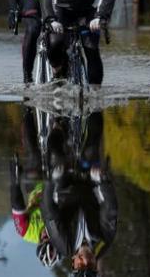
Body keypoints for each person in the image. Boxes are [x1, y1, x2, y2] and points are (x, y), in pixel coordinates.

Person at [40, 112, 118, 276]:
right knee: (92, 144)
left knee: (56, 155)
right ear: (96, 265)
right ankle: (95, 98)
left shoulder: (63, 243)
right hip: (88, 183)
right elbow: (110, 209)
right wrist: (102, 180)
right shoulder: (103, 241)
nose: (86, 260)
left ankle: (58, 124)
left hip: (64, 189)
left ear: (74, 262)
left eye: (81, 264)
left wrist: (51, 181)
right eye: (90, 265)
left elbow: (49, 213)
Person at [10, 150, 60, 268]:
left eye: (44, 238)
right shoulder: (60, 232)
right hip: (55, 187)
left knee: (34, 154)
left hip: (35, 185)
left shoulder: (26, 232)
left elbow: (17, 205)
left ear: (39, 242)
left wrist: (15, 182)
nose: (46, 234)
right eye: (50, 238)